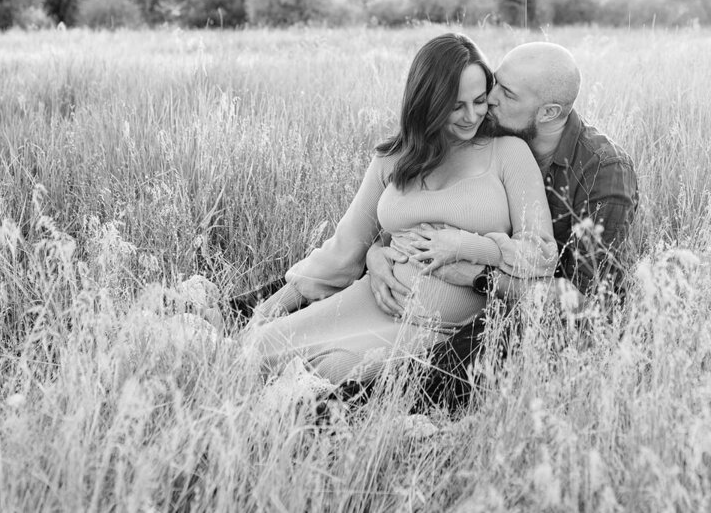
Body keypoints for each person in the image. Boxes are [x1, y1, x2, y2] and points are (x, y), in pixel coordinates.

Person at [240, 34, 557, 385]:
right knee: (255, 347)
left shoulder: (508, 152)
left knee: (338, 372)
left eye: (480, 101)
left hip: (439, 328)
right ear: (428, 103)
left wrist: (467, 246)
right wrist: (265, 310)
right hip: (371, 302)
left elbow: (540, 253)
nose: (471, 116)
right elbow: (345, 247)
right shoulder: (393, 157)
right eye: (456, 106)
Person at [364, 42, 639, 408]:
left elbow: (584, 304)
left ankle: (358, 408)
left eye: (505, 93)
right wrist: (376, 253)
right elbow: (418, 216)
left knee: (482, 342)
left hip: (528, 316)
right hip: (434, 301)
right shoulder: (487, 129)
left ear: (548, 112)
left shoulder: (603, 172)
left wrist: (481, 276)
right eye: (496, 81)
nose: (488, 98)